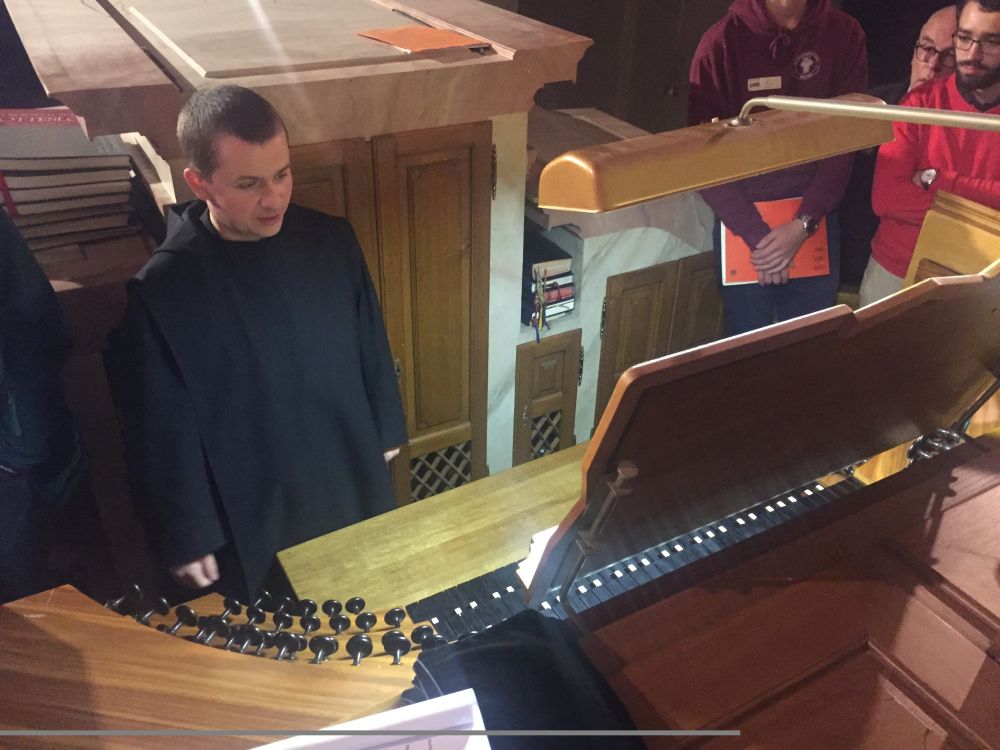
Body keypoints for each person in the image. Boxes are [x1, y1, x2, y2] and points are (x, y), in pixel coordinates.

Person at [109, 85, 407, 601]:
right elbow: (160, 425)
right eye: (249, 184)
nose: (274, 199)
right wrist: (187, 532)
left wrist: (386, 426)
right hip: (252, 501)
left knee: (371, 599)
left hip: (345, 466)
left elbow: (369, 339)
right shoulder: (165, 288)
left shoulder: (331, 240)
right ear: (200, 183)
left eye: (281, 175)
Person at [688, 0, 868, 335]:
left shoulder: (844, 33)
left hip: (815, 221)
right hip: (743, 228)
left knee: (808, 347)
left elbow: (847, 139)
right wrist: (759, 238)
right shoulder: (721, 42)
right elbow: (702, 155)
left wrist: (804, 223)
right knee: (745, 351)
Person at [860, 0, 1000, 306]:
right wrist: (987, 213)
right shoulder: (919, 103)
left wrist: (938, 179)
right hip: (898, 271)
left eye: (991, 42)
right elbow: (887, 198)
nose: (972, 54)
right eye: (965, 38)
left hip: (986, 281)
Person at [1, 207, 87, 603]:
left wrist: (15, 448)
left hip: (12, 458)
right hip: (15, 451)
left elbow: (36, 322)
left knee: (23, 602)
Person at [840, 6, 959, 290]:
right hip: (860, 266)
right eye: (927, 49)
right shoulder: (870, 108)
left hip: (951, 270)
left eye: (950, 56)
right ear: (913, 52)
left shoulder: (971, 123)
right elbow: (885, 198)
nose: (933, 65)